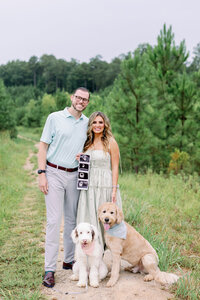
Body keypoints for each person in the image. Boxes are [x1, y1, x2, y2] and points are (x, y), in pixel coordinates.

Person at [38, 87, 90, 288]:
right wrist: (42, 173)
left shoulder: (87, 123)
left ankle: (69, 260)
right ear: (72, 98)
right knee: (53, 221)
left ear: (87, 102)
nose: (81, 101)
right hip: (54, 172)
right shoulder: (54, 118)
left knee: (72, 221)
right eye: (78, 97)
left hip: (76, 174)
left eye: (85, 99)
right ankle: (50, 269)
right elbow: (43, 145)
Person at [76, 111, 122, 250]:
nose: (97, 125)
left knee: (105, 218)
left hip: (104, 184)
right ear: (90, 125)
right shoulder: (87, 142)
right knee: (89, 216)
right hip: (89, 185)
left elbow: (114, 167)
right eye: (94, 122)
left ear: (105, 124)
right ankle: (89, 249)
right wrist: (81, 158)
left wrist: (113, 190)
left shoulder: (111, 142)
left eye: (100, 122)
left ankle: (103, 251)